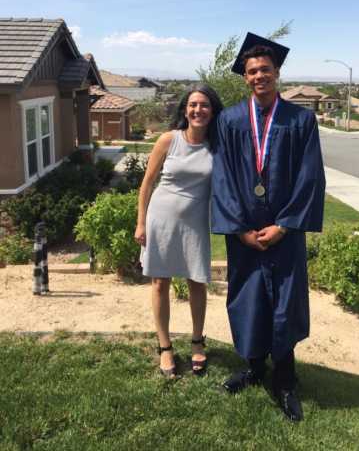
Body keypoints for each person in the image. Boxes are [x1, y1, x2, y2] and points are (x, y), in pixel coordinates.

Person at [211, 33, 325, 421]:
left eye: (266, 70)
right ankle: (254, 369)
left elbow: (310, 177)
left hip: (284, 232)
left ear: (277, 73)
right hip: (244, 233)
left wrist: (284, 225)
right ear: (245, 77)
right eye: (252, 70)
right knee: (250, 298)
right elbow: (223, 176)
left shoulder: (301, 120)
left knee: (286, 302)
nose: (259, 75)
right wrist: (240, 227)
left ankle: (286, 379)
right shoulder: (228, 121)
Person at [135, 84, 223, 378]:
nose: (198, 110)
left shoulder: (217, 145)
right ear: (185, 110)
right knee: (159, 283)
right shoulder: (168, 140)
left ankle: (197, 341)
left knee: (197, 282)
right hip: (160, 219)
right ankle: (165, 347)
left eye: (205, 105)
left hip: (195, 223)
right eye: (193, 105)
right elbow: (147, 183)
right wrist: (140, 222)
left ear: (212, 111)